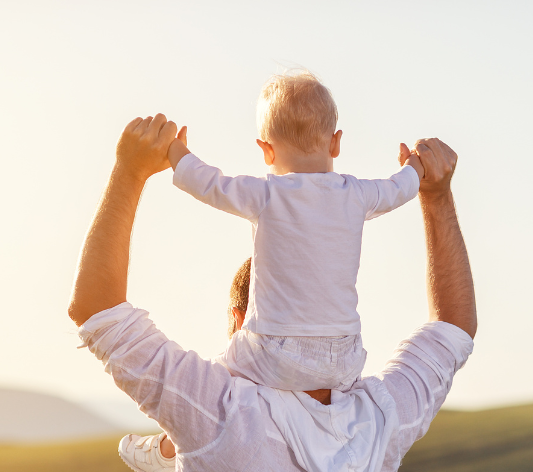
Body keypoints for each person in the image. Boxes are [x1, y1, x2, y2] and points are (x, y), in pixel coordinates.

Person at [68, 113, 476, 472]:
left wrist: (130, 171)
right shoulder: (384, 422)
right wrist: (435, 196)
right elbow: (453, 328)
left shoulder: (214, 413)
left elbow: (96, 309)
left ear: (243, 320)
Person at [171, 71, 424, 394]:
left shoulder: (266, 194)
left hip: (275, 350)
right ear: (336, 142)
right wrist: (414, 166)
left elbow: (210, 185)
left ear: (266, 150)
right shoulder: (357, 194)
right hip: (343, 355)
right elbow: (399, 188)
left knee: (210, 385)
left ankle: (165, 444)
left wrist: (177, 152)